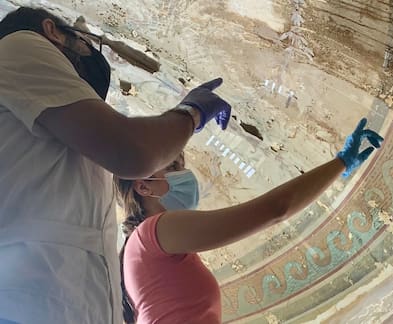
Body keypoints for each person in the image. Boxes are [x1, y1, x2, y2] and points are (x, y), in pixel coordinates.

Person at [0, 6, 231, 324]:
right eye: (82, 42)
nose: (88, 53)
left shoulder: (60, 137)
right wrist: (192, 113)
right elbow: (134, 152)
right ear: (52, 31)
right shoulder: (19, 44)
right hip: (31, 302)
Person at [114, 118, 384, 324]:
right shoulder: (154, 233)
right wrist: (340, 163)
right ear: (143, 187)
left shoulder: (146, 251)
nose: (184, 174)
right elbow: (277, 209)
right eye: (172, 167)